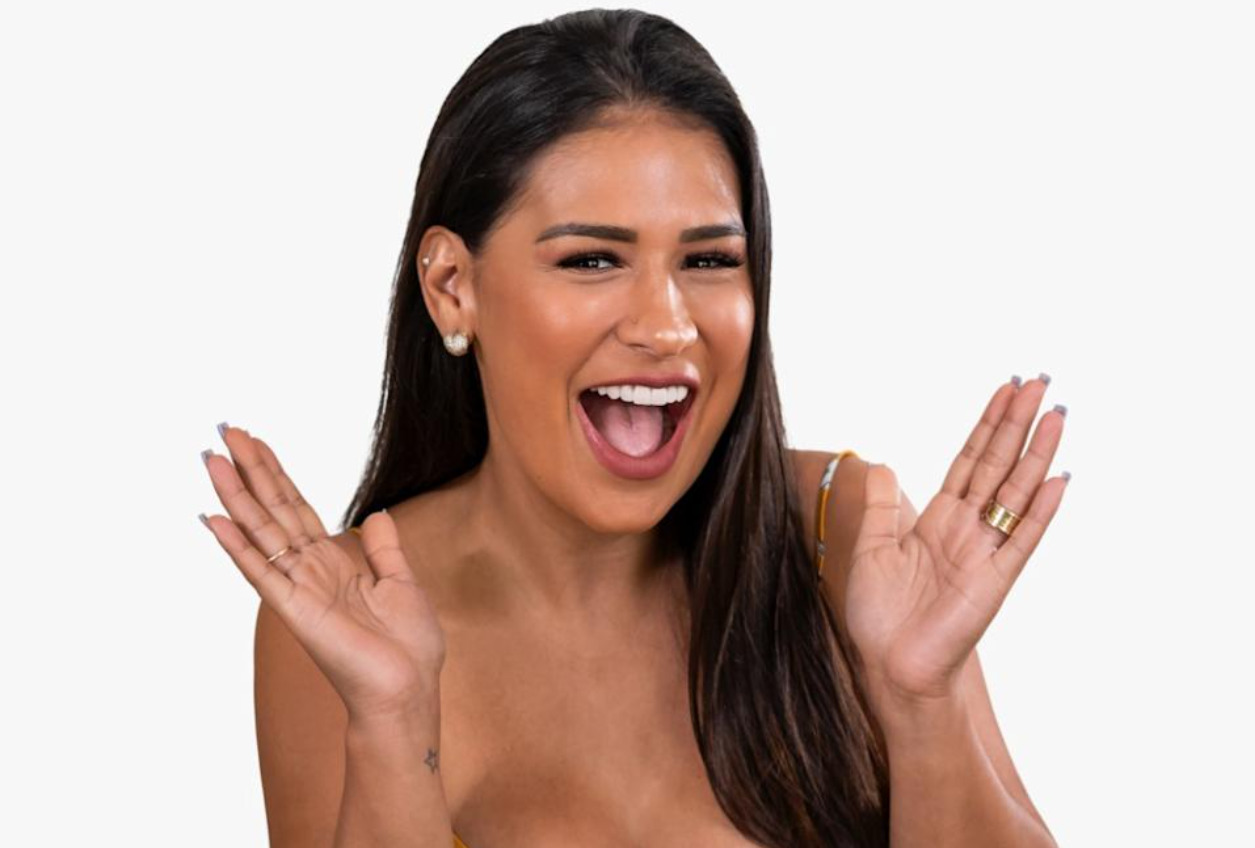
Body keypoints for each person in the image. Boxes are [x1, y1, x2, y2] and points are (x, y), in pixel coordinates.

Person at [198, 8, 1068, 847]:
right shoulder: (347, 616)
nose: (666, 326)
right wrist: (392, 725)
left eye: (708, 260)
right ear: (452, 286)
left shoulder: (841, 536)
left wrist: (922, 703)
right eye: (591, 260)